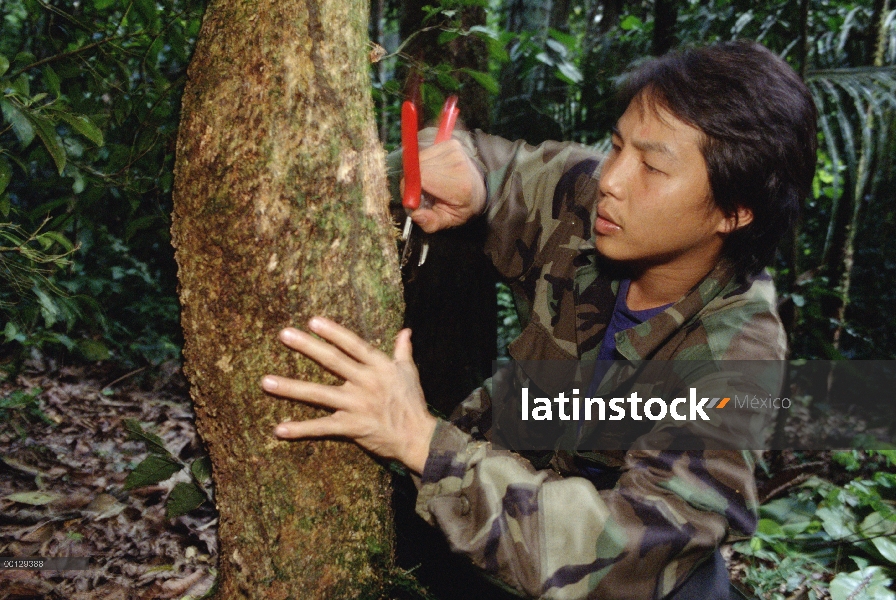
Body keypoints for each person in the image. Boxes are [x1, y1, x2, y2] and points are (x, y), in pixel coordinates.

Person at [261, 41, 817, 599]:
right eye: (617, 145)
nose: (612, 179)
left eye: (652, 165)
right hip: (513, 469)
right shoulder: (592, 197)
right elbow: (486, 162)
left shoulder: (741, 356)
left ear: (734, 211)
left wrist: (420, 441)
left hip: (607, 542)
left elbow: (628, 547)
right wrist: (468, 179)